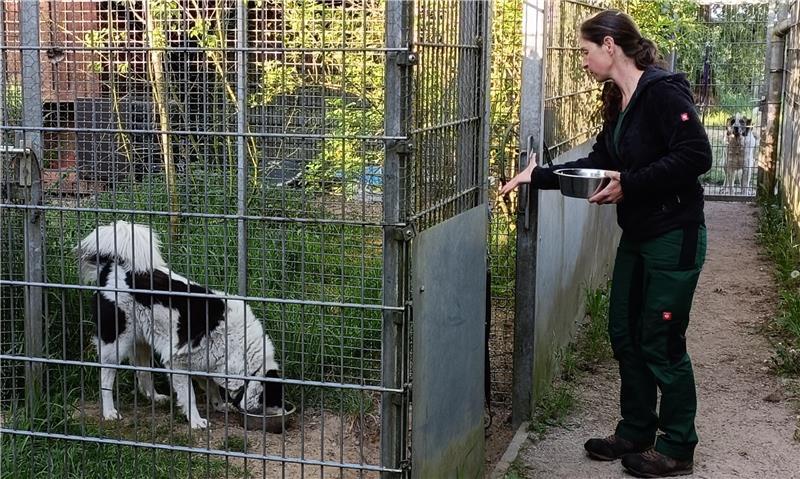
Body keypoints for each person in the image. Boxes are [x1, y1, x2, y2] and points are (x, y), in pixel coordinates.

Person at [499, 9, 711, 479]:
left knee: (661, 340)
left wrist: (630, 183)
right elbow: (599, 160)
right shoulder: (618, 98)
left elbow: (697, 155)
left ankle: (677, 446)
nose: (582, 59)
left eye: (585, 50)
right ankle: (636, 430)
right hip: (638, 234)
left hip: (674, 234)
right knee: (625, 333)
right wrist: (539, 176)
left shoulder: (663, 92)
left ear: (610, 46)